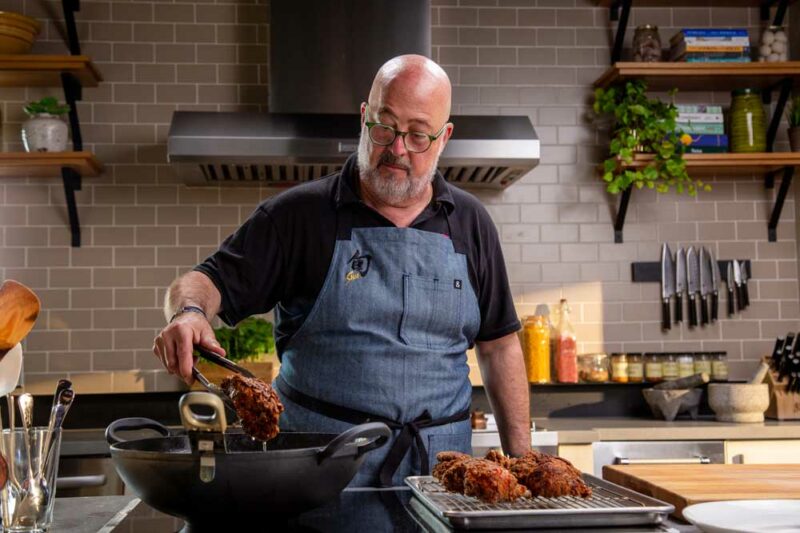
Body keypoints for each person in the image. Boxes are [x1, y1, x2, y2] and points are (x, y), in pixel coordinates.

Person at [153, 54, 531, 487]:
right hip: (319, 485)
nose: (397, 147)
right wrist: (189, 313)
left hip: (442, 485)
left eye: (418, 135)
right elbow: (206, 280)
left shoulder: (470, 222)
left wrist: (524, 463)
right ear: (364, 117)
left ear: (443, 138)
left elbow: (500, 346)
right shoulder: (300, 215)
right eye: (385, 126)